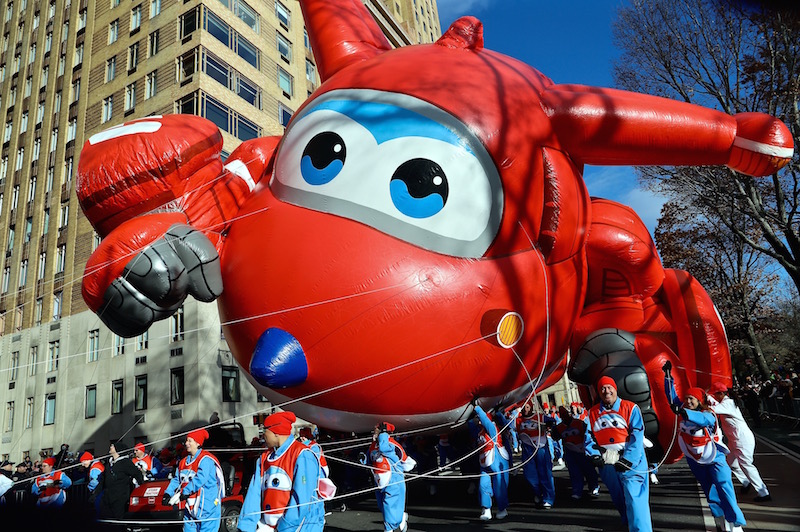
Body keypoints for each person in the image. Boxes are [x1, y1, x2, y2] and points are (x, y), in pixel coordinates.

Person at [663, 364, 746, 532]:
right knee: (710, 492)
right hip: (695, 459)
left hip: (715, 457)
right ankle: (723, 521)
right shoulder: (684, 409)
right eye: (686, 399)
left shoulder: (708, 413)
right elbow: (671, 397)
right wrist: (667, 376)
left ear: (700, 401)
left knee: (724, 487)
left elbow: (703, 420)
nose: (687, 402)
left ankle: (735, 524)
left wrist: (684, 412)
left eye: (691, 399)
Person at [238, 411, 327, 532]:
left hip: (303, 526)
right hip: (271, 525)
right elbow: (254, 493)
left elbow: (301, 499)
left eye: (265, 430)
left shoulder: (302, 455)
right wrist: (246, 525)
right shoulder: (264, 458)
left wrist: (285, 527)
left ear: (276, 432)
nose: (263, 435)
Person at [586, 376, 652, 532]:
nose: (607, 391)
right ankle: (628, 521)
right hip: (607, 462)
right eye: (603, 388)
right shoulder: (592, 413)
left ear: (615, 389)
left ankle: (640, 529)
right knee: (618, 496)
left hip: (630, 462)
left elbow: (637, 435)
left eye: (609, 387)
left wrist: (628, 459)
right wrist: (594, 454)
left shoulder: (630, 408)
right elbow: (588, 437)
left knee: (635, 499)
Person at [708, 381, 771, 502]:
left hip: (742, 440)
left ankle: (763, 493)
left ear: (721, 394)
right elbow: (715, 404)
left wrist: (705, 400)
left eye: (715, 394)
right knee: (732, 464)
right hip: (735, 440)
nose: (714, 396)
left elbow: (712, 409)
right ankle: (746, 482)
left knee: (746, 465)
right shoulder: (726, 402)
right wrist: (708, 397)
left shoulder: (728, 403)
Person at [163, 429, 226, 532]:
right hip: (190, 508)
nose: (186, 443)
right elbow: (177, 480)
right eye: (186, 441)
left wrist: (185, 492)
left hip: (207, 507)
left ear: (198, 443)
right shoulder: (183, 462)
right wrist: (168, 493)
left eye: (189, 441)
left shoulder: (206, 460)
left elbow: (200, 479)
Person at [364, 422, 412, 532]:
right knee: (383, 506)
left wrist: (383, 435)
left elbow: (386, 449)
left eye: (376, 430)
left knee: (389, 503)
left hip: (393, 479)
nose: (374, 432)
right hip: (379, 480)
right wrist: (363, 459)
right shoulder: (373, 446)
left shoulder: (391, 444)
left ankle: (389, 529)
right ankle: (400, 517)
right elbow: (369, 459)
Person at [552, 406, 600, 500]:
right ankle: (577, 491)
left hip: (582, 450)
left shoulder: (579, 423)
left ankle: (594, 486)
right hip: (570, 452)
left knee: (589, 470)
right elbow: (555, 437)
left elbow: (587, 435)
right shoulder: (560, 427)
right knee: (574, 473)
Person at [515, 400, 556, 508]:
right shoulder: (518, 420)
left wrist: (548, 425)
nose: (525, 409)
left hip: (541, 448)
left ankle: (548, 498)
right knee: (530, 475)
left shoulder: (540, 416)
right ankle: (538, 493)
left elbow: (552, 421)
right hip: (527, 449)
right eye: (523, 407)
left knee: (545, 474)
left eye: (527, 407)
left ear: (531, 407)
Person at [473, 404, 510, 520]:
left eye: (479, 418)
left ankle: (502, 509)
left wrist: (478, 408)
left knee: (500, 486)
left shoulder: (492, 428)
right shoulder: (479, 433)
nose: (477, 420)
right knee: (483, 485)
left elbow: (486, 420)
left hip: (497, 459)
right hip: (485, 462)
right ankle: (486, 509)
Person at [98, 441, 145, 520]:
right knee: (106, 518)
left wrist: (141, 488)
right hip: (108, 497)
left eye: (112, 446)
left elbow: (137, 474)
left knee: (118, 519)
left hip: (120, 497)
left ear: (117, 449)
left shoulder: (125, 462)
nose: (110, 447)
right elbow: (103, 480)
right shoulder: (109, 464)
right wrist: (96, 494)